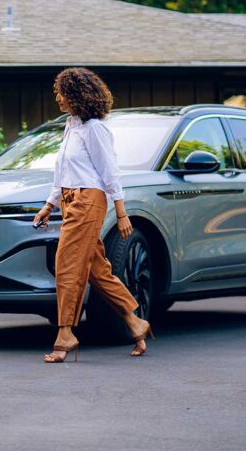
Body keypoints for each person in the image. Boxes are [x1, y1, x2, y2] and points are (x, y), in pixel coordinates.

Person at [33, 67, 155, 363]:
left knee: (67, 264)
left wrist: (122, 212)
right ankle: (135, 320)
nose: (58, 98)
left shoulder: (95, 128)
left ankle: (65, 333)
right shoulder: (71, 125)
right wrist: (50, 204)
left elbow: (109, 171)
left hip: (89, 200)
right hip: (69, 199)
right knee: (94, 267)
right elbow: (62, 171)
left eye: (62, 92)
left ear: (77, 95)